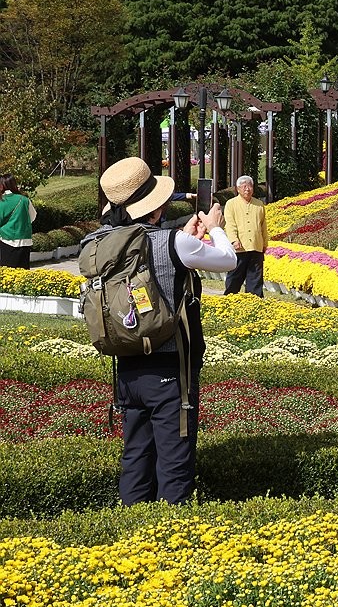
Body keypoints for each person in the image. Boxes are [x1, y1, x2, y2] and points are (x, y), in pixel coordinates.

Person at [93, 156, 237, 504]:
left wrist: (183, 238)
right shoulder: (174, 242)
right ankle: (169, 538)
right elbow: (228, 260)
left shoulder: (101, 241)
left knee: (136, 456)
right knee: (175, 460)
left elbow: (148, 256)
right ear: (155, 209)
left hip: (126, 365)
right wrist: (214, 226)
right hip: (172, 366)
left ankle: (131, 526)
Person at [223, 175, 267, 297]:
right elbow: (230, 224)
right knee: (234, 278)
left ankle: (254, 304)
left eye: (250, 186)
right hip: (239, 248)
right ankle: (229, 301)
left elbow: (263, 226)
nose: (247, 189)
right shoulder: (231, 204)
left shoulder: (259, 204)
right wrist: (234, 240)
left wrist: (264, 244)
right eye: (244, 186)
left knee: (255, 280)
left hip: (256, 246)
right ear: (238, 189)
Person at [0, 174, 37, 269]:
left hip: (7, 240)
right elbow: (33, 216)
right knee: (23, 274)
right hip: (25, 241)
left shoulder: (2, 201)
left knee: (7, 275)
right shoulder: (24, 200)